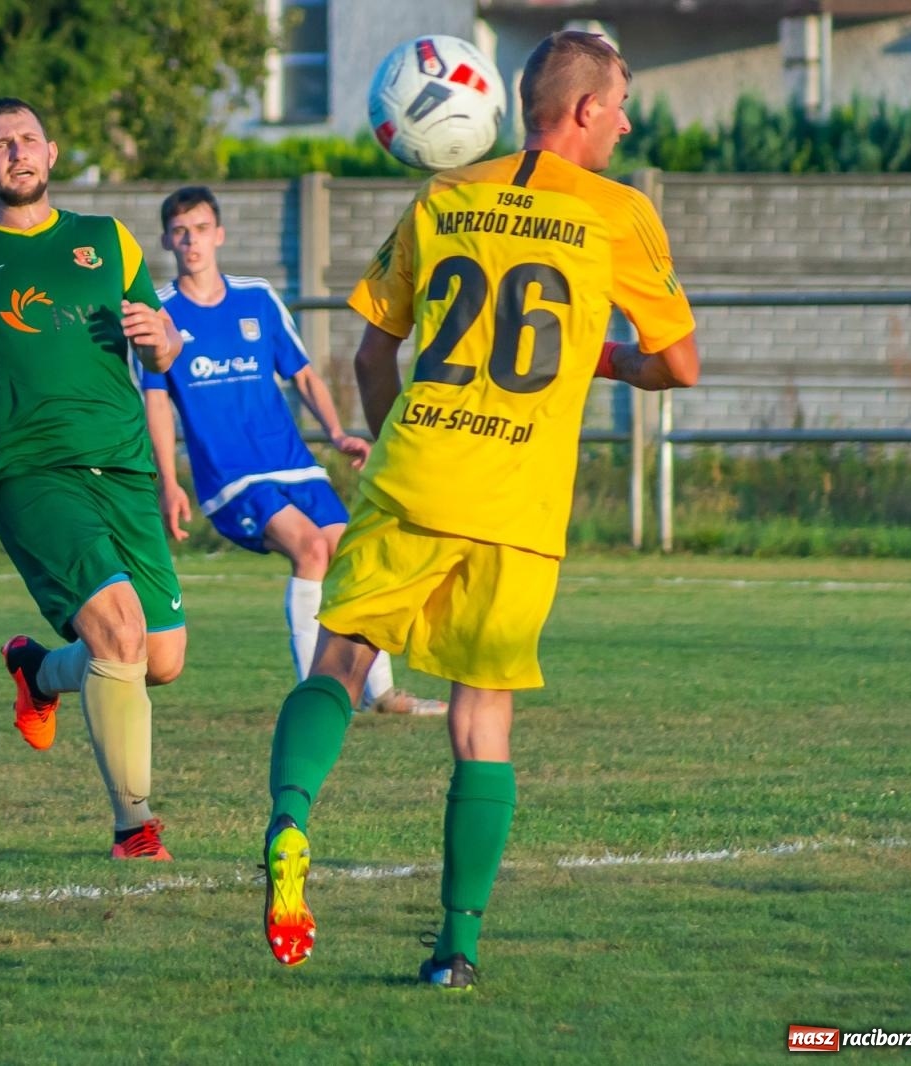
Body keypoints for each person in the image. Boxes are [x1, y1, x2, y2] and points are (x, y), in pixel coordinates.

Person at [259, 31, 699, 989]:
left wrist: (396, 443)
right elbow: (680, 364)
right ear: (584, 109)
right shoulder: (619, 213)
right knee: (480, 717)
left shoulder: (444, 195)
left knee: (340, 662)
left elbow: (372, 351)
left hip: (417, 467)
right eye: (621, 104)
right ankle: (455, 949)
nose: (626, 124)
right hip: (518, 502)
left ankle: (290, 820)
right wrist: (605, 358)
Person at [0, 97, 186, 861]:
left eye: (28, 139)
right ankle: (134, 827)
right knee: (120, 632)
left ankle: (37, 671)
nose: (18, 152)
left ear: (53, 152)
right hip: (29, 472)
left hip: (123, 465)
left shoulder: (109, 240)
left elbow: (161, 348)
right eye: (0, 144)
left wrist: (164, 339)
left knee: (160, 659)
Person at [144, 186, 445, 718]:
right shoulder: (160, 315)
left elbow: (303, 374)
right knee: (310, 550)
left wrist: (336, 433)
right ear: (167, 240)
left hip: (293, 463)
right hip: (231, 478)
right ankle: (317, 700)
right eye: (181, 231)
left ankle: (382, 693)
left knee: (350, 554)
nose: (191, 241)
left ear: (220, 235)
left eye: (201, 229)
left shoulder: (257, 298)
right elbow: (157, 403)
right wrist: (169, 483)